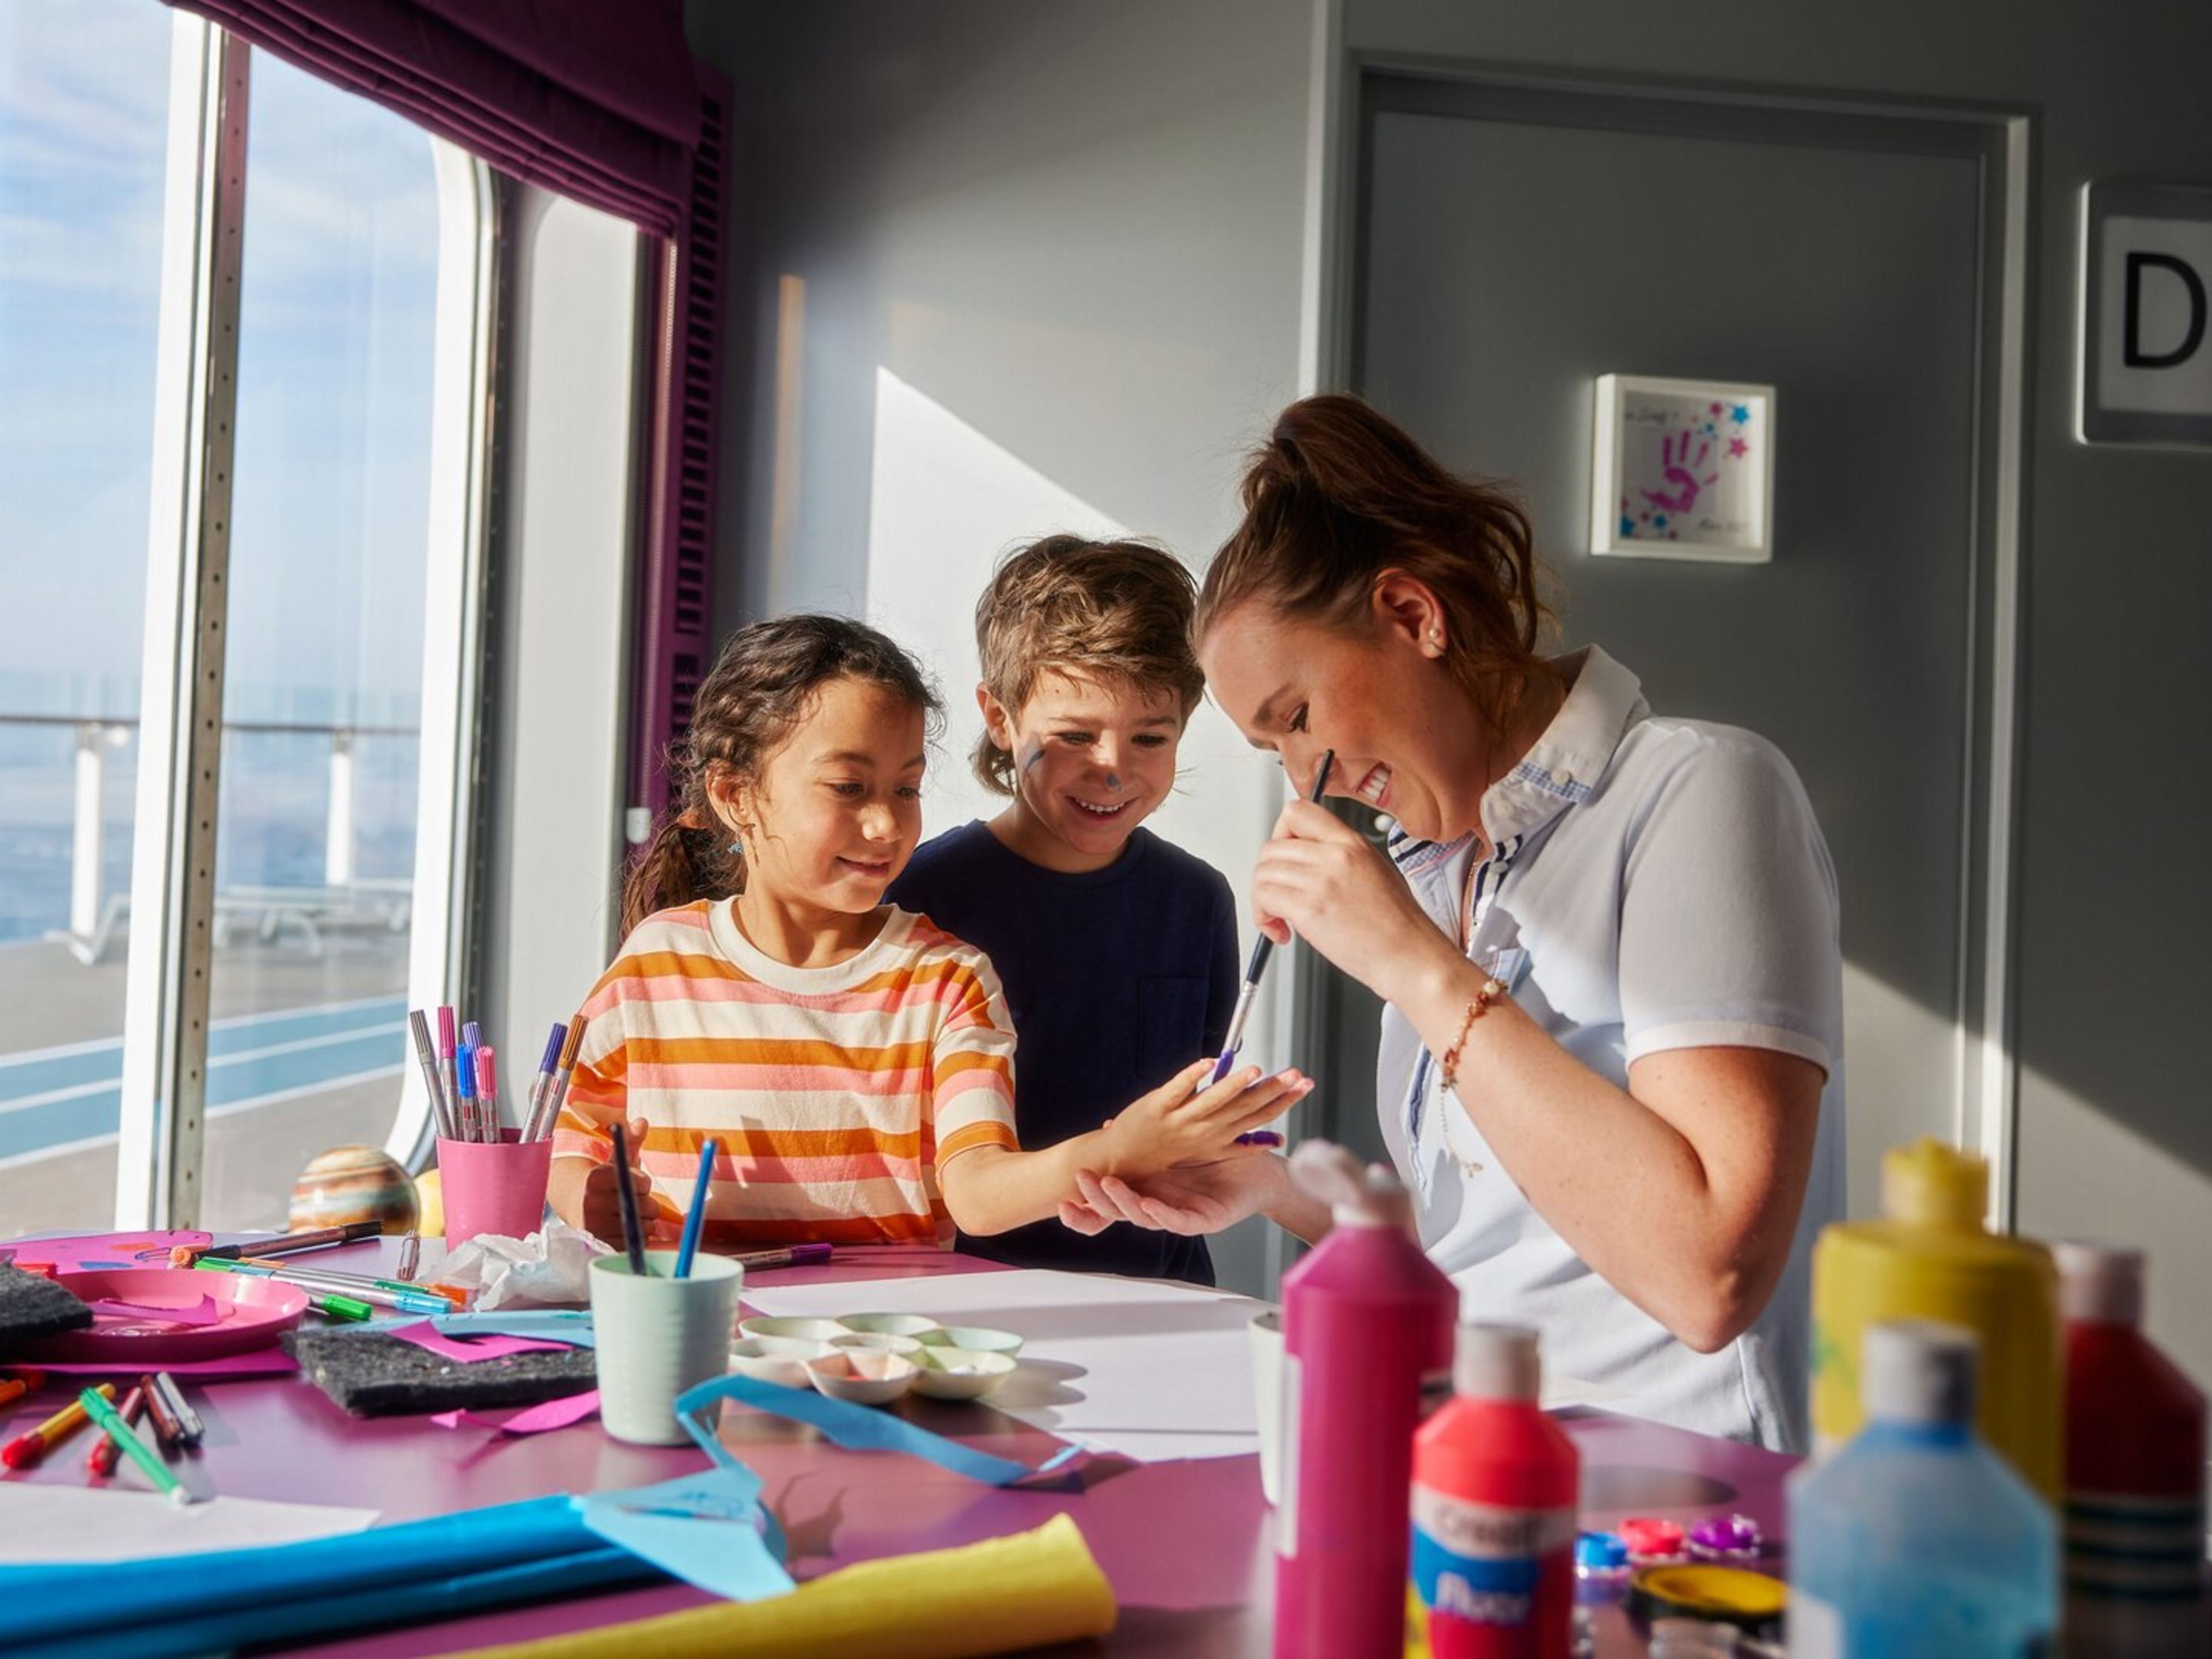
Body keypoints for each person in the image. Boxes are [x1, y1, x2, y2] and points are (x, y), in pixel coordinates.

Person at [1063, 396, 1845, 1451]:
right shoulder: (1442, 874)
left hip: (1675, 1514)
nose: (1308, 780)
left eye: (1299, 718)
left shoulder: (1700, 791)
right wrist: (1270, 1190)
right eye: (1274, 752)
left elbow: (1710, 1276)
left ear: (1414, 615)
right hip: (1476, 1472)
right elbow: (1496, 1261)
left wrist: (1416, 970)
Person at [547, 613, 1300, 1253]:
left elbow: (975, 1192)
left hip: (889, 1355)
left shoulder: (950, 981)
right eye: (849, 788)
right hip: (703, 1336)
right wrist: (590, 1198)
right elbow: (568, 1139)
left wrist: (1117, 1151)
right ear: (735, 795)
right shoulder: (655, 964)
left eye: (905, 790)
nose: (886, 824)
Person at [889, 536, 1311, 1284]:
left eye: (1151, 737)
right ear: (1000, 716)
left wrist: (1231, 1140)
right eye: (1075, 735)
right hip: (973, 1305)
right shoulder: (923, 898)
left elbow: (1195, 1119)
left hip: (1165, 1292)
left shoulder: (1198, 901)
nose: (1113, 768)